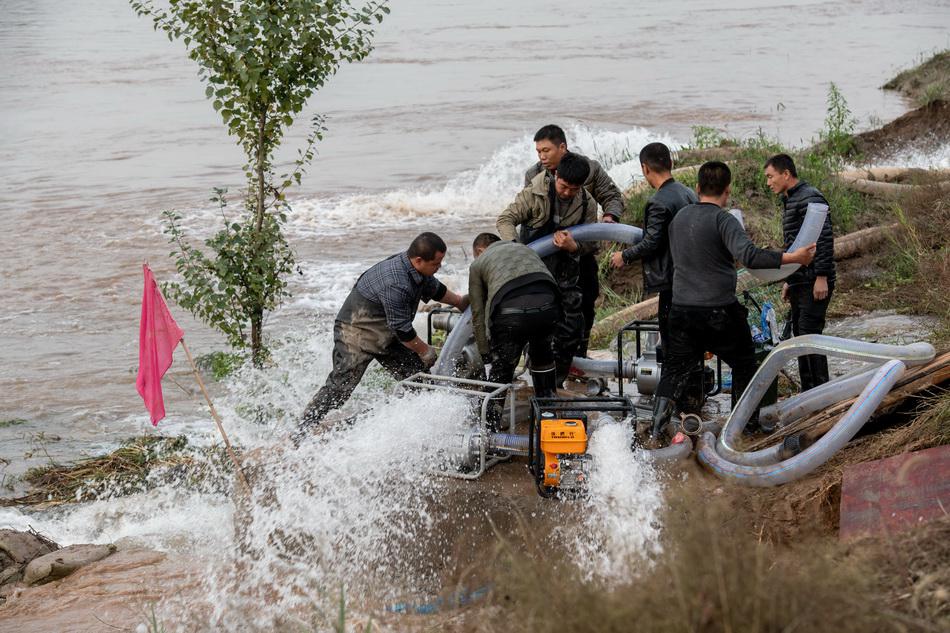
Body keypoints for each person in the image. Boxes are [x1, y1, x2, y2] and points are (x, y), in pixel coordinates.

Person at [650, 162, 816, 440]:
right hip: (718, 312)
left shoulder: (678, 219)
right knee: (745, 365)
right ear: (727, 191)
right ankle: (743, 430)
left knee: (673, 370)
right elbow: (750, 256)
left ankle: (655, 430)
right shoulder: (724, 220)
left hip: (681, 312)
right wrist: (794, 258)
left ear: (698, 188)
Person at [295, 232, 467, 442]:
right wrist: (425, 350)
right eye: (436, 264)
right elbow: (403, 330)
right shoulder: (396, 282)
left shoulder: (416, 269)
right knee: (340, 387)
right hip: (356, 331)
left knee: (418, 379)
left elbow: (434, 288)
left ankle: (422, 426)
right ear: (419, 260)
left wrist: (459, 301)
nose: (439, 267)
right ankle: (302, 430)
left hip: (385, 331)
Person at [497, 151, 598, 386]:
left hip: (565, 276)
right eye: (564, 186)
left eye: (574, 189)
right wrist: (515, 249)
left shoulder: (586, 203)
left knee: (571, 328)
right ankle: (508, 378)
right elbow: (505, 220)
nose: (567, 193)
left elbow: (594, 241)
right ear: (555, 175)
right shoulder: (535, 194)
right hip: (531, 272)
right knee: (522, 327)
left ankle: (554, 382)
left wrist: (574, 246)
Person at [525, 124, 625, 358]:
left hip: (581, 250)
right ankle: (541, 357)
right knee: (544, 305)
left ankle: (577, 357)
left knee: (586, 302)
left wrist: (610, 218)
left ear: (562, 147)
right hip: (547, 253)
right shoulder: (534, 175)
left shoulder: (589, 169)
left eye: (546, 150)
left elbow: (611, 195)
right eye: (539, 151)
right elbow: (527, 213)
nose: (542, 156)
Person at [609, 142, 698, 351]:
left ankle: (673, 378)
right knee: (689, 339)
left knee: (671, 339)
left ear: (645, 168)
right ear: (670, 163)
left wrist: (625, 256)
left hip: (672, 280)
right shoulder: (688, 193)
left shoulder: (658, 201)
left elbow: (651, 242)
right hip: (691, 275)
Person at [468, 233, 560, 428]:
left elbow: (477, 313)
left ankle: (488, 434)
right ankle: (549, 418)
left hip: (511, 313)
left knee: (502, 368)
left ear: (479, 251)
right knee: (542, 357)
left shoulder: (478, 264)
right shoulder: (526, 248)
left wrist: (486, 355)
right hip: (550, 304)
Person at [764, 153, 836, 391]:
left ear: (786, 174)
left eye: (770, 176)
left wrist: (822, 276)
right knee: (800, 336)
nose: (768, 182)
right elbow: (797, 246)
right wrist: (790, 281)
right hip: (801, 281)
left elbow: (823, 239)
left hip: (815, 280)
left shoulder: (809, 197)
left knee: (810, 336)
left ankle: (821, 391)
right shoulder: (791, 198)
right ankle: (809, 391)